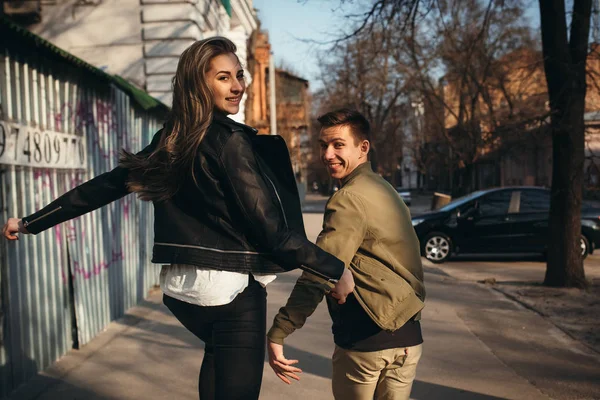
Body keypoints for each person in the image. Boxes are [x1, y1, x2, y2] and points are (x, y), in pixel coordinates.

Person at [1, 37, 355, 400]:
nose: (238, 87)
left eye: (239, 75)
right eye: (223, 78)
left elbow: (106, 185)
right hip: (233, 294)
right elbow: (273, 233)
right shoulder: (230, 142)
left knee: (216, 370)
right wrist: (334, 270)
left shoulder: (172, 137)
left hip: (185, 289)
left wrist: (30, 222)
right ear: (198, 83)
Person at [266, 109, 426, 400]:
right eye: (323, 145)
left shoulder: (348, 198)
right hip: (408, 340)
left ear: (363, 148)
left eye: (338, 145)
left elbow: (319, 270)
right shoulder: (386, 191)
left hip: (366, 342)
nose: (327, 154)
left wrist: (280, 329)